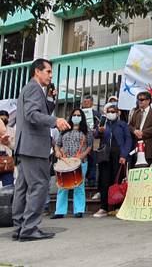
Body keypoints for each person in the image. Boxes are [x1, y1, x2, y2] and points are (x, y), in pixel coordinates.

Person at [12, 59, 70, 241]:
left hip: (26, 147)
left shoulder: (33, 89)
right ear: (37, 71)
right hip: (34, 147)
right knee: (39, 185)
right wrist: (56, 121)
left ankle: (20, 227)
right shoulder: (33, 88)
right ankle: (29, 229)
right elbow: (32, 115)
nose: (50, 75)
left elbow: (40, 110)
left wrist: (51, 99)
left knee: (22, 187)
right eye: (48, 71)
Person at [51, 109, 93, 219]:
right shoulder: (65, 129)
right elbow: (57, 144)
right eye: (74, 115)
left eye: (78, 115)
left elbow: (89, 146)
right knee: (62, 186)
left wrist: (82, 155)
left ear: (82, 117)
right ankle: (59, 211)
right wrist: (57, 151)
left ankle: (79, 210)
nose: (76, 117)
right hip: (64, 162)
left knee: (79, 186)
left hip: (79, 162)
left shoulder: (86, 130)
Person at [94, 104, 132, 218]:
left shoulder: (123, 125)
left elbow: (128, 140)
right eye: (109, 111)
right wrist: (99, 131)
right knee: (105, 181)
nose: (111, 113)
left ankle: (117, 207)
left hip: (118, 155)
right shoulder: (103, 123)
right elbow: (95, 136)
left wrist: (124, 155)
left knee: (118, 181)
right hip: (105, 156)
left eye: (113, 111)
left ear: (118, 112)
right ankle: (103, 207)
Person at [128, 92, 152, 166]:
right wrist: (134, 131)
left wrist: (143, 133)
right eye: (138, 99)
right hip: (137, 148)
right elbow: (129, 126)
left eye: (142, 99)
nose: (140, 101)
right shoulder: (136, 113)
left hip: (150, 149)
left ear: (148, 101)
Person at [82, 95, 101, 187]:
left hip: (93, 140)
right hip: (81, 140)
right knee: (82, 159)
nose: (85, 104)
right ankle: (82, 179)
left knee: (92, 159)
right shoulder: (79, 113)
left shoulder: (96, 114)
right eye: (84, 102)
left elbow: (100, 125)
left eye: (87, 102)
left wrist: (95, 130)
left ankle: (92, 180)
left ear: (92, 103)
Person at [0, 111, 15, 186]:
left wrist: (8, 143)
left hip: (7, 159)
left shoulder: (12, 131)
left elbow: (15, 147)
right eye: (1, 119)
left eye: (5, 119)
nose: (3, 120)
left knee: (8, 186)